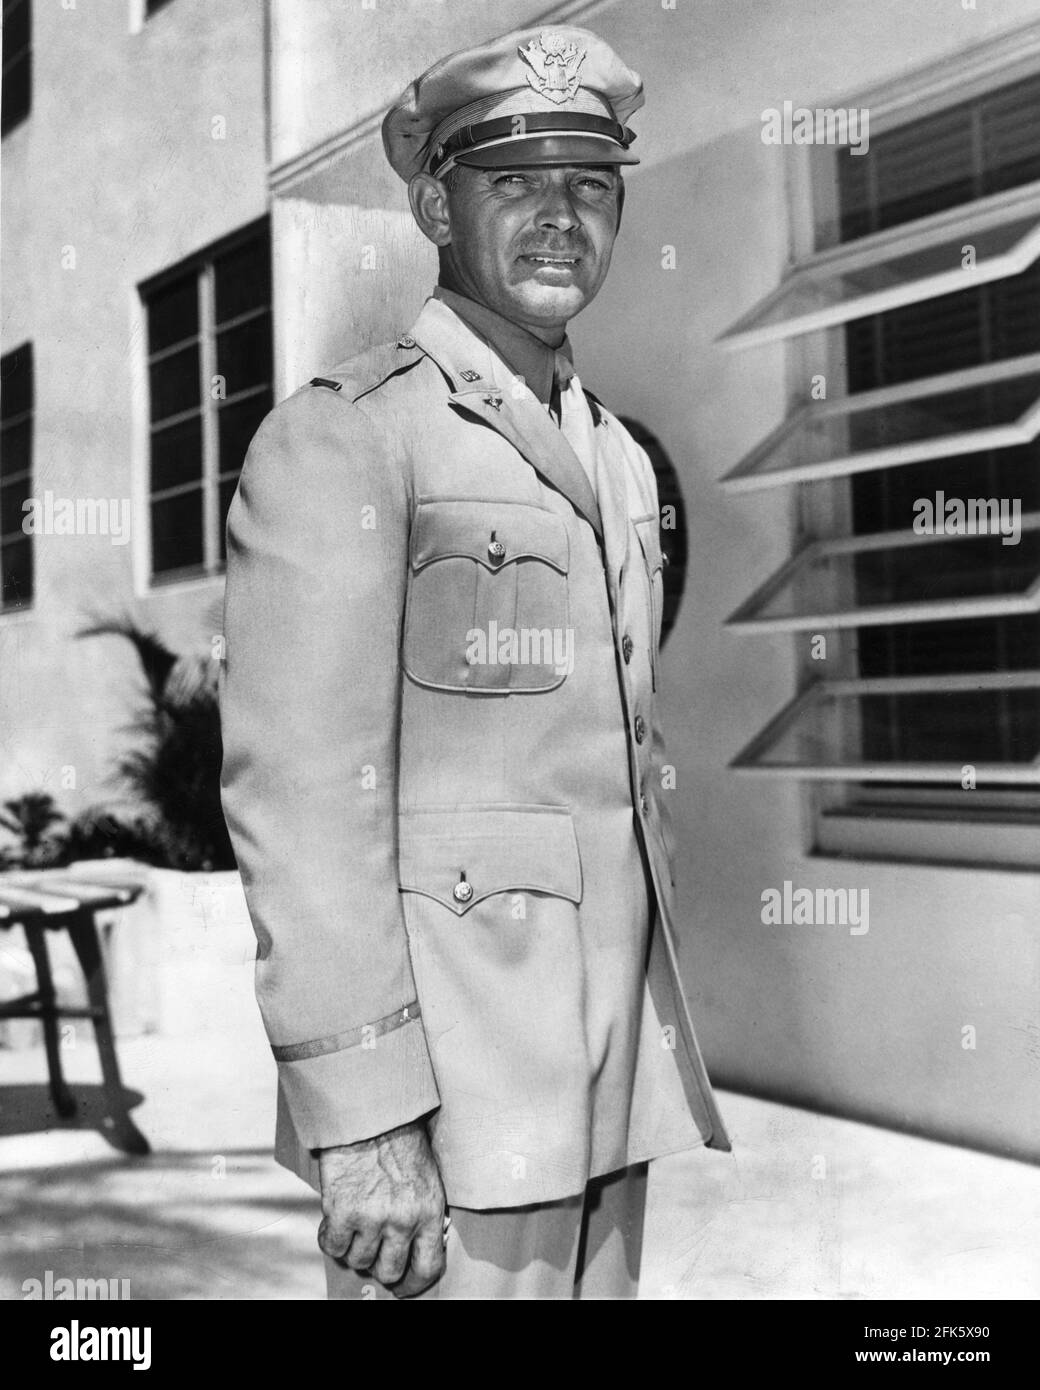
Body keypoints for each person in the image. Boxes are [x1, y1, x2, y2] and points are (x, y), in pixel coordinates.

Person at [219, 23, 729, 1301]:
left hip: (609, 1097)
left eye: (590, 186)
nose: (560, 219)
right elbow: (302, 801)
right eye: (516, 183)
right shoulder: (347, 440)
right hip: (449, 1117)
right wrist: (366, 1119)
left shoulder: (614, 455)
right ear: (433, 202)